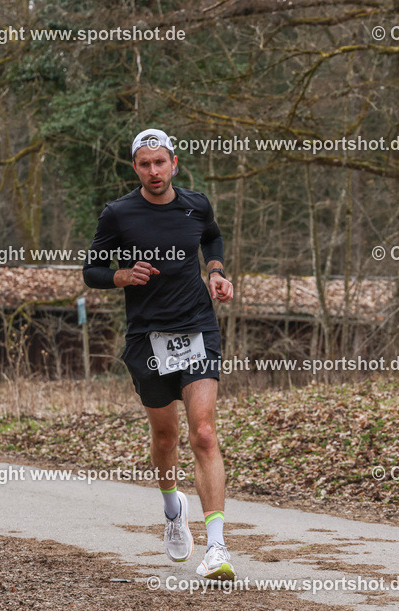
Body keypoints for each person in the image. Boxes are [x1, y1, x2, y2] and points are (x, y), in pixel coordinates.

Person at [83, 128, 236, 580]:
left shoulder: (196, 204)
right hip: (147, 337)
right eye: (145, 164)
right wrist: (121, 275)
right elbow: (91, 270)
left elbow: (212, 237)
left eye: (160, 162)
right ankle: (173, 510)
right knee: (165, 437)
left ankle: (217, 547)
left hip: (197, 327)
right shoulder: (118, 214)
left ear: (174, 163)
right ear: (136, 168)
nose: (154, 171)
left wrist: (216, 272)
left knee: (203, 433)